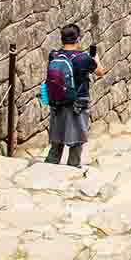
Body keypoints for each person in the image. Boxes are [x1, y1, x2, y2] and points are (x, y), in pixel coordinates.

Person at [45, 23, 104, 167]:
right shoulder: (83, 58)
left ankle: (49, 166)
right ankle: (72, 168)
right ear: (78, 39)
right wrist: (95, 57)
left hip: (57, 103)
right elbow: (100, 72)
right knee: (77, 140)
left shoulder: (54, 55)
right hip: (77, 105)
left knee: (57, 140)